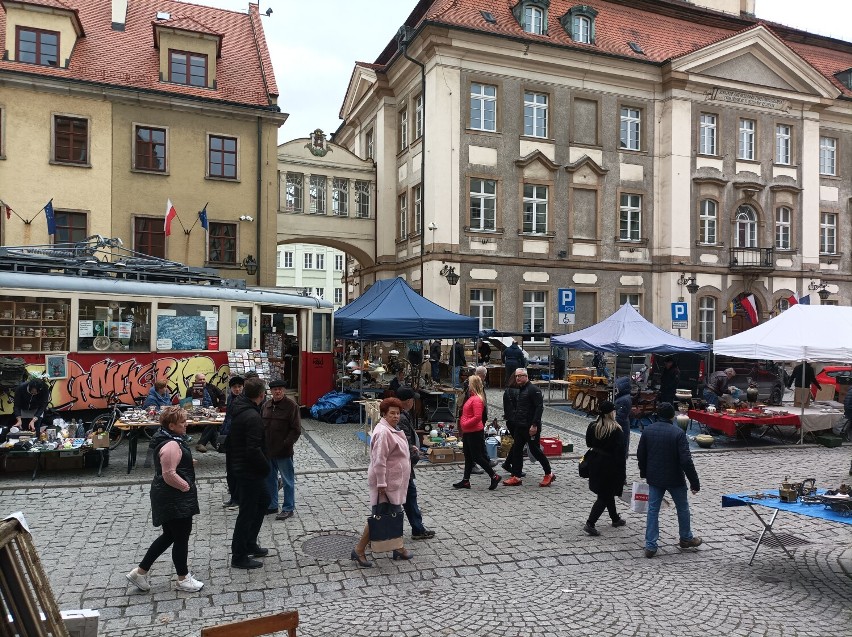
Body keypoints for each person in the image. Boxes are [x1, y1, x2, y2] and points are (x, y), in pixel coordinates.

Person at [125, 406, 203, 593]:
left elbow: (170, 464)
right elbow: (168, 474)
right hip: (174, 497)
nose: (186, 425)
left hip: (169, 496)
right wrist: (186, 487)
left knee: (169, 535)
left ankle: (140, 573)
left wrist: (186, 461)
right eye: (182, 423)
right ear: (171, 425)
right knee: (181, 538)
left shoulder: (171, 440)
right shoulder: (171, 444)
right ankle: (183, 579)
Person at [351, 397, 414, 567]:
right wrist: (381, 486)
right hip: (385, 483)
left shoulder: (392, 429)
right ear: (384, 414)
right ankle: (359, 550)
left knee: (394, 513)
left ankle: (398, 547)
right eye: (392, 413)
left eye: (398, 413)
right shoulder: (383, 432)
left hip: (394, 482)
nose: (396, 416)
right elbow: (379, 461)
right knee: (379, 516)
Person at [636, 402, 702, 558]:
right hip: (675, 478)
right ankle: (685, 538)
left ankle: (651, 545)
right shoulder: (678, 433)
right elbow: (686, 461)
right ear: (672, 416)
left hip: (655, 477)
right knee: (682, 508)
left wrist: (644, 472)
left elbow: (641, 455)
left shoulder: (648, 431)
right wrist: (694, 482)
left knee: (653, 510)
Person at [227, 377, 271, 569]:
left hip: (242, 467)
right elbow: (253, 449)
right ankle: (239, 555)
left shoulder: (241, 407)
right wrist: (266, 467)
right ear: (261, 395)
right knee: (246, 512)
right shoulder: (252, 416)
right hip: (248, 470)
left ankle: (250, 543)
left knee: (264, 500)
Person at [503, 368, 555, 487]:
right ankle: (516, 476)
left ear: (526, 376)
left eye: (520, 376)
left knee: (535, 451)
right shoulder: (521, 390)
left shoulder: (533, 390)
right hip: (520, 426)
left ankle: (549, 473)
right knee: (517, 450)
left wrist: (534, 425)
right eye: (516, 376)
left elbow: (539, 408)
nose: (517, 378)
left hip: (530, 427)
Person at [395, 387, 435, 540]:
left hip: (403, 465)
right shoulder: (402, 417)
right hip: (403, 466)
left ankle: (417, 528)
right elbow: (405, 443)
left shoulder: (402, 415)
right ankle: (416, 530)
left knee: (409, 497)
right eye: (412, 399)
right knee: (408, 497)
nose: (414, 402)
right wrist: (414, 457)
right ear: (408, 401)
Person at [582, 401, 627, 536]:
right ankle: (590, 523)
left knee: (606, 492)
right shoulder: (616, 429)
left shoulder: (593, 426)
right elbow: (620, 454)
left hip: (595, 461)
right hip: (609, 465)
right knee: (604, 495)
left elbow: (588, 443)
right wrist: (622, 474)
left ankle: (615, 518)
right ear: (611, 413)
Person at [453, 375, 501, 490]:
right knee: (469, 457)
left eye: (469, 383)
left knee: (477, 457)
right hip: (469, 431)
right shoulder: (472, 397)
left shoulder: (477, 399)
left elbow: (477, 417)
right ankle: (465, 481)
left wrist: (464, 424)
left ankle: (494, 476)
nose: (467, 385)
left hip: (474, 432)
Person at [263, 379, 302, 521]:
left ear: (284, 390)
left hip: (283, 451)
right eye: (274, 389)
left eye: (280, 389)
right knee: (270, 479)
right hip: (269, 450)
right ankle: (272, 505)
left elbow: (296, 429)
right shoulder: (266, 405)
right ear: (270, 391)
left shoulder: (291, 406)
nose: (277, 391)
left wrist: (286, 444)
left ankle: (288, 508)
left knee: (287, 480)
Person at [220, 376, 244, 508]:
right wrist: (223, 432)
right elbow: (228, 418)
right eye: (235, 387)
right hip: (229, 438)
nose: (237, 389)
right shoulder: (230, 399)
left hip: (238, 439)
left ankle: (238, 498)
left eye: (239, 387)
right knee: (230, 471)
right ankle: (234, 497)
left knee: (237, 470)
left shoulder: (243, 400)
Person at [613, 376, 632, 461]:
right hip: (623, 426)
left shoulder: (623, 400)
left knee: (621, 446)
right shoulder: (623, 398)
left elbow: (620, 417)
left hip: (621, 428)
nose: (616, 389)